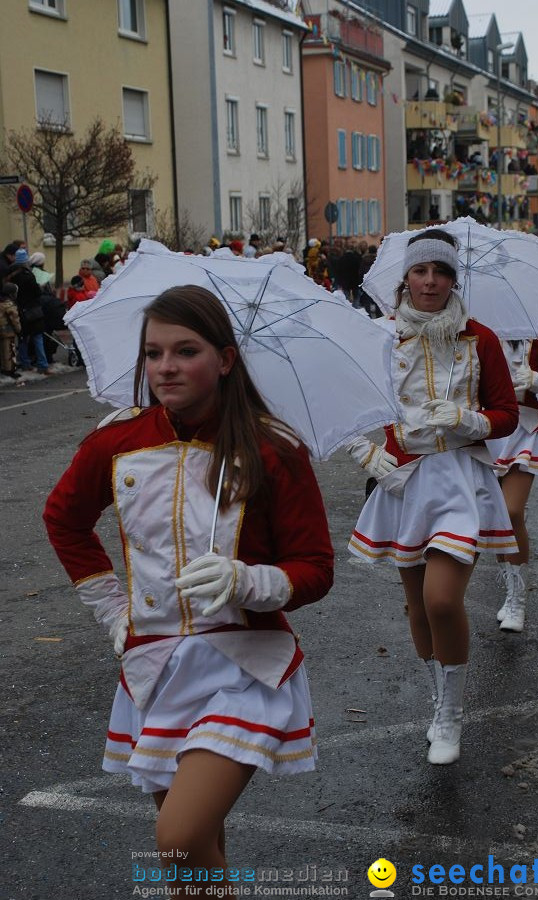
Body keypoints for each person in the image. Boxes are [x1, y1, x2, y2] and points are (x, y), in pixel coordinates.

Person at [44, 285, 333, 893]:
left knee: (177, 836)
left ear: (225, 360)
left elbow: (315, 566)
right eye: (153, 353)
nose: (165, 367)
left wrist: (247, 580)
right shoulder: (116, 441)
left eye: (185, 351)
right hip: (153, 668)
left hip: (243, 669)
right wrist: (111, 608)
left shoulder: (271, 448)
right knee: (193, 855)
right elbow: (63, 520)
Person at [346, 230, 519, 765]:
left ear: (453, 280)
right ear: (406, 278)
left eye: (441, 273)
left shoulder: (480, 338)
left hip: (460, 479)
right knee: (418, 604)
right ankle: (438, 697)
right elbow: (349, 408)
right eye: (421, 272)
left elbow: (507, 414)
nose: (430, 282)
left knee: (443, 599)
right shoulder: (378, 338)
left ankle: (450, 717)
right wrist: (363, 452)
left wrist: (470, 419)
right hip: (403, 481)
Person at [486, 325, 538, 633]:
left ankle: (516, 598)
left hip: (524, 428)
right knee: (495, 516)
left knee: (511, 511)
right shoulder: (473, 324)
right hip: (485, 428)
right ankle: (507, 585)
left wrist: (536, 380)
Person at [7, 248, 51, 375]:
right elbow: (37, 293)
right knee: (37, 337)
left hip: (18, 309)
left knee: (22, 338)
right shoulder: (29, 275)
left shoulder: (10, 275)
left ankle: (25, 363)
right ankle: (42, 365)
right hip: (33, 310)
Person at [0, 281, 22, 379]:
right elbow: (15, 320)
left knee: (3, 350)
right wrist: (19, 330)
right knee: (10, 350)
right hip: (8, 330)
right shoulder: (10, 305)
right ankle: (10, 370)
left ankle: (4, 368)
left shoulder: (1, 303)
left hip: (1, 329)